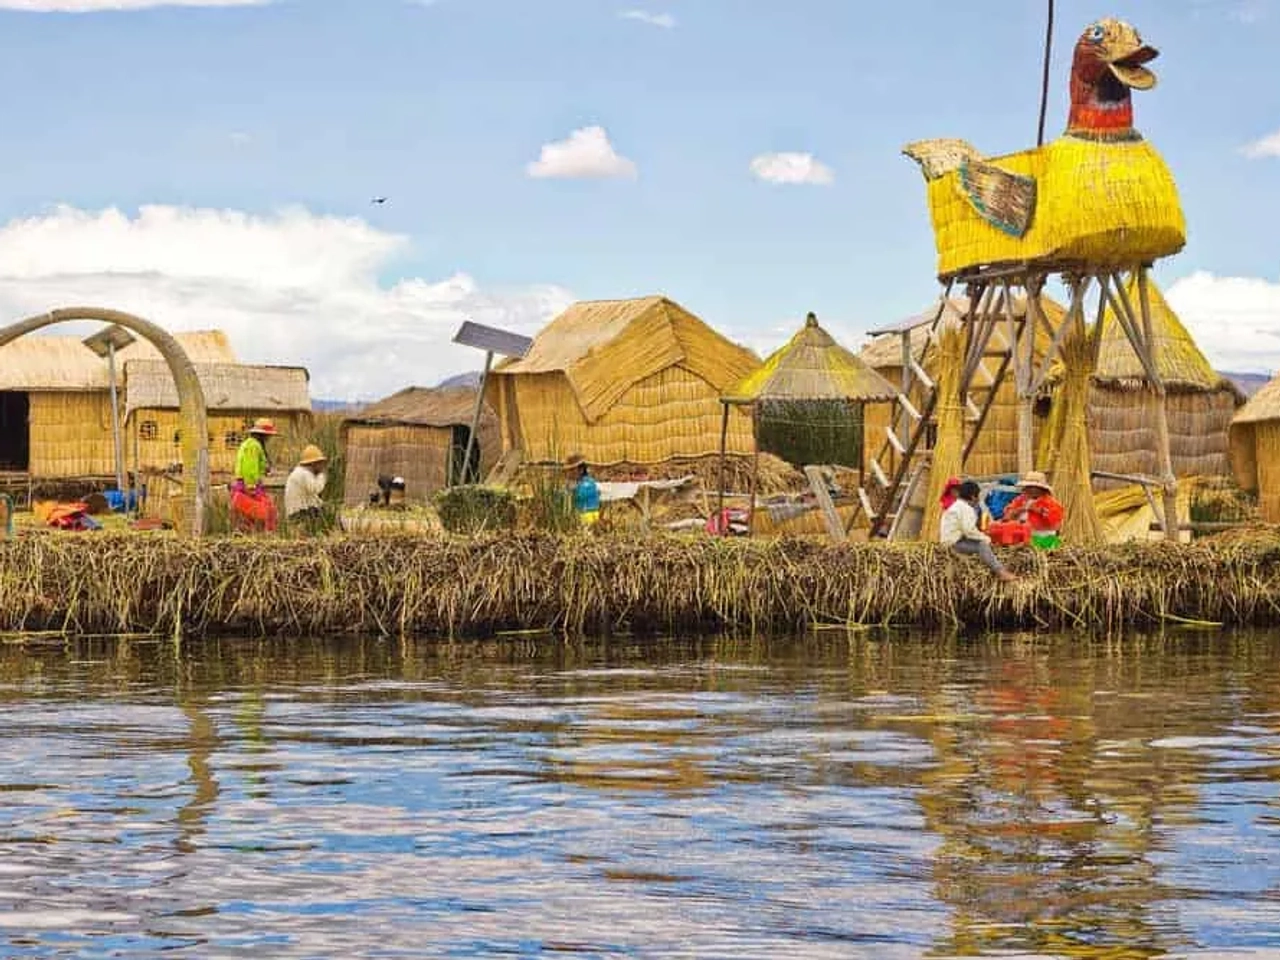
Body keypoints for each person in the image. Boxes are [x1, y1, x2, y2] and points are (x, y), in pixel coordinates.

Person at [941, 479, 1017, 582]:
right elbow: (969, 530)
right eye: (978, 496)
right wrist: (986, 539)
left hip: (950, 539)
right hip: (955, 543)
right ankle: (1001, 572)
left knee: (980, 541)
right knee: (982, 546)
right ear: (973, 497)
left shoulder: (956, 505)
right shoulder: (966, 509)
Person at [230, 417, 279, 533]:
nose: (268, 438)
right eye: (267, 436)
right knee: (266, 512)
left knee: (252, 517)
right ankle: (263, 536)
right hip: (249, 486)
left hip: (247, 485)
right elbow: (249, 467)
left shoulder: (250, 444)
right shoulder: (253, 446)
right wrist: (251, 487)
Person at [1002, 470, 1065, 549]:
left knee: (1031, 542)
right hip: (1021, 535)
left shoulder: (1050, 503)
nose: (1031, 489)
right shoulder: (1020, 500)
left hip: (1043, 538)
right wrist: (1021, 509)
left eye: (1034, 487)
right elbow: (1007, 517)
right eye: (1029, 486)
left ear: (1041, 489)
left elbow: (1056, 523)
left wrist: (1038, 511)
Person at [285, 444, 330, 533]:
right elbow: (316, 488)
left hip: (297, 511)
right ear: (313, 463)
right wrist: (322, 475)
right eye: (319, 463)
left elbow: (312, 497)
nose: (321, 466)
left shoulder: (300, 472)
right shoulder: (304, 474)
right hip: (300, 513)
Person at [565, 454, 600, 528]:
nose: (569, 473)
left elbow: (582, 494)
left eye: (572, 470)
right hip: (580, 516)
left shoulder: (588, 482)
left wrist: (574, 489)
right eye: (568, 470)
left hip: (588, 516)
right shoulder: (577, 482)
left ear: (580, 470)